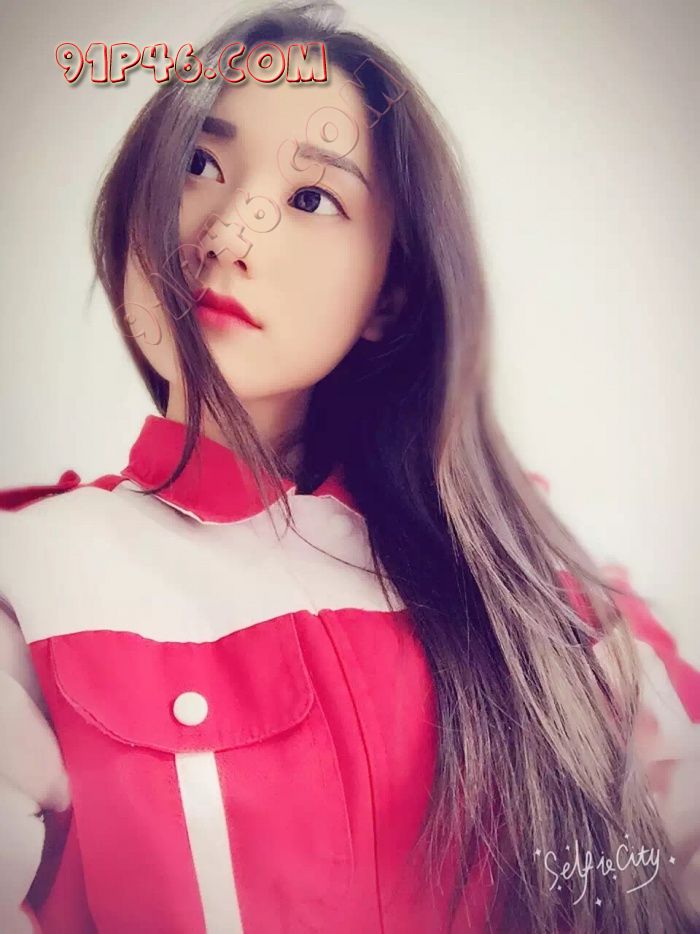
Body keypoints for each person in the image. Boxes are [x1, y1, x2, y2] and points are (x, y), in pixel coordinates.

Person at [0, 2, 698, 931]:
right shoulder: (32, 577)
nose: (229, 235)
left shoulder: (538, 584)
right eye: (198, 164)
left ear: (390, 297)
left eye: (311, 199)